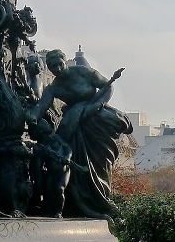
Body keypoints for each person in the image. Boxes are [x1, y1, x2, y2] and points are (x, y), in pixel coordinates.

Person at [28, 49, 132, 219]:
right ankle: (79, 204)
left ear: (64, 61)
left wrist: (96, 106)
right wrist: (31, 116)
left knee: (100, 162)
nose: (57, 69)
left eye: (59, 64)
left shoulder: (84, 72)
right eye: (52, 67)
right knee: (75, 164)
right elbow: (41, 107)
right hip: (74, 125)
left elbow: (107, 87)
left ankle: (100, 201)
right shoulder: (53, 87)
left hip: (96, 120)